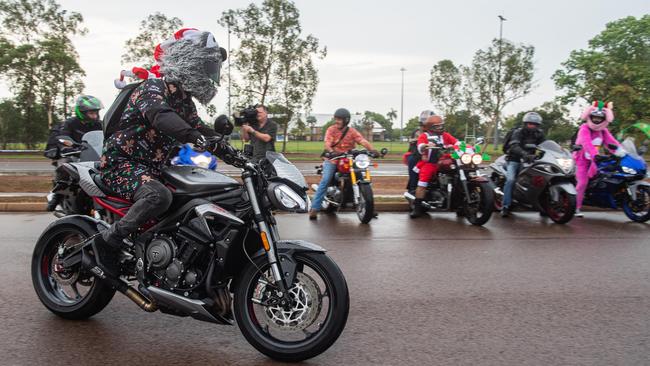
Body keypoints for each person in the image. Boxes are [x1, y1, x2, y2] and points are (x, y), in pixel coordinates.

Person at [92, 29, 228, 277]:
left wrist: (232, 152)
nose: (210, 72)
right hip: (121, 164)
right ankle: (108, 241)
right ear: (190, 61)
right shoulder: (152, 87)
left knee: (198, 196)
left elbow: (199, 128)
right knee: (158, 197)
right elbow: (160, 116)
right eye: (206, 64)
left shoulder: (185, 101)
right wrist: (193, 136)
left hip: (154, 168)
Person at [309, 108, 377, 220]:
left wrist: (373, 150)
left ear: (346, 120)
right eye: (336, 119)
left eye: (339, 119)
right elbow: (327, 144)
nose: (337, 121)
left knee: (362, 177)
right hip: (333, 159)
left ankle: (369, 207)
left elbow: (362, 141)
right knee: (326, 180)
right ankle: (314, 209)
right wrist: (331, 152)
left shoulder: (352, 131)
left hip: (349, 159)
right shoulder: (331, 130)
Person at [46, 95, 104, 211]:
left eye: (96, 113)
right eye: (91, 113)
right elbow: (64, 136)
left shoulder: (99, 124)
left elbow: (105, 137)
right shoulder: (71, 123)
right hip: (74, 153)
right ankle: (57, 196)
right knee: (65, 164)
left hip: (92, 155)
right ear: (82, 112)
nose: (95, 115)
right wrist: (67, 147)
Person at [573, 101, 625, 217]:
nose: (596, 120)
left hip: (595, 159)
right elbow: (586, 142)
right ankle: (576, 207)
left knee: (604, 176)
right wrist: (594, 154)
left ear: (604, 119)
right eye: (594, 117)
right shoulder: (584, 128)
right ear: (590, 116)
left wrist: (621, 151)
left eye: (599, 118)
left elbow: (611, 142)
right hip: (582, 159)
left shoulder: (603, 130)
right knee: (582, 182)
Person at [410, 115, 459, 218]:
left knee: (459, 172)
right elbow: (420, 146)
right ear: (430, 127)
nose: (440, 128)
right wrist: (425, 146)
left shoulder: (446, 135)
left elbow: (457, 142)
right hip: (431, 163)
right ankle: (417, 207)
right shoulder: (425, 135)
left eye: (441, 126)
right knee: (423, 181)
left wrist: (463, 145)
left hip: (446, 161)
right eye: (437, 126)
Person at [501, 111, 546, 217]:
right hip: (514, 160)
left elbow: (545, 145)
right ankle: (505, 206)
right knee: (511, 180)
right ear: (525, 124)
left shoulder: (539, 134)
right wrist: (524, 154)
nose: (532, 126)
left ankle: (543, 206)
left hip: (531, 161)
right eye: (530, 124)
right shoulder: (518, 132)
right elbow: (514, 146)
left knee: (542, 179)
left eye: (534, 124)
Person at [405, 110, 435, 193]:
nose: (424, 126)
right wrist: (417, 141)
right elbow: (414, 142)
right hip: (418, 153)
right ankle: (413, 187)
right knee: (412, 160)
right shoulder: (417, 132)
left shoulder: (438, 131)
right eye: (423, 124)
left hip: (435, 154)